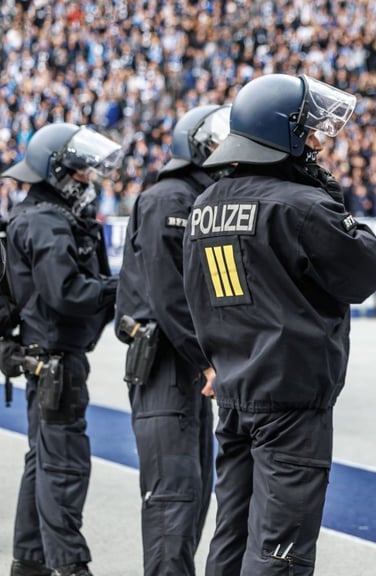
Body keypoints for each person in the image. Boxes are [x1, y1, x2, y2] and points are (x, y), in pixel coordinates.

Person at [181, 73, 376, 575]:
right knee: (281, 549)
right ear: (284, 135)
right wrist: (327, 193)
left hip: (234, 388)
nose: (318, 142)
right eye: (310, 132)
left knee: (231, 533)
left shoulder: (205, 205)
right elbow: (365, 271)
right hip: (291, 400)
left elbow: (193, 296)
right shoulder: (301, 205)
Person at [114, 104, 231, 576]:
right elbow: (172, 296)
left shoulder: (193, 196)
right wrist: (207, 362)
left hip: (180, 367)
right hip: (167, 366)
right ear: (199, 146)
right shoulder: (171, 199)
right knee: (173, 502)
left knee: (193, 496)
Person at [1, 123, 123, 576]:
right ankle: (69, 567)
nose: (87, 180)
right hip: (54, 363)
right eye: (80, 171)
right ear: (57, 173)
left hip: (44, 359)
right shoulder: (46, 222)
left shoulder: (37, 216)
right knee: (64, 469)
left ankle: (29, 563)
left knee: (43, 462)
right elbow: (67, 293)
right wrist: (124, 285)